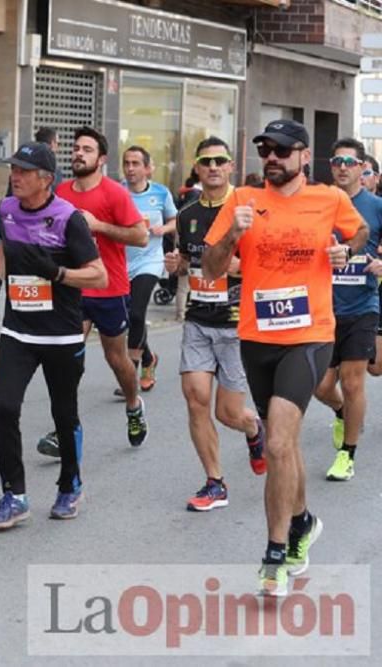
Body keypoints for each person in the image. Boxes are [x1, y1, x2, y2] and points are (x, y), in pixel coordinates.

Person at [202, 119, 366, 596]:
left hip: (310, 335)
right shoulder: (241, 202)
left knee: (276, 440)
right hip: (257, 337)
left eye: (281, 150)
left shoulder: (329, 199)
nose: (271, 157)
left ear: (302, 157)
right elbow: (210, 269)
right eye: (264, 149)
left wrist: (343, 251)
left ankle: (273, 554)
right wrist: (233, 233)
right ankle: (302, 521)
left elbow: (357, 235)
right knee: (285, 444)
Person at [0, 142, 106, 529]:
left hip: (61, 335)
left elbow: (98, 275)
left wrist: (58, 274)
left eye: (23, 171)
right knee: (5, 408)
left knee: (63, 413)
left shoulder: (69, 219)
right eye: (13, 169)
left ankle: (70, 484)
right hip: (18, 330)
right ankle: (14, 495)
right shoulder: (5, 209)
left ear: (46, 179)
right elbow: (4, 244)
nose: (14, 176)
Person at [162, 136, 266, 512]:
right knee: (196, 401)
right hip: (199, 319)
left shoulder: (249, 209)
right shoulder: (187, 214)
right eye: (206, 161)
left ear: (231, 166)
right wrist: (177, 268)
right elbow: (189, 262)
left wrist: (239, 267)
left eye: (220, 160)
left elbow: (268, 262)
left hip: (237, 323)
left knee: (228, 413)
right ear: (197, 168)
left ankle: (255, 430)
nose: (213, 167)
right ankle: (215, 482)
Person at [36, 126, 149, 457]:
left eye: (86, 149)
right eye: (76, 148)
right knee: (68, 360)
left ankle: (133, 404)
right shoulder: (60, 193)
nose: (78, 153)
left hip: (110, 288)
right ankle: (64, 429)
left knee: (117, 359)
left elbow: (141, 237)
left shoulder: (114, 193)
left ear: (101, 159)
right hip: (72, 288)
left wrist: (98, 226)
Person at [312, 139, 382, 481]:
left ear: (361, 168)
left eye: (349, 162)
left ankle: (347, 454)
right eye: (336, 160)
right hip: (322, 308)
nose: (342, 167)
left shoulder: (375, 206)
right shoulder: (318, 203)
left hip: (362, 307)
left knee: (354, 383)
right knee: (321, 386)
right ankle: (340, 411)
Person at [121, 145, 177, 393]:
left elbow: (175, 221)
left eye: (135, 163)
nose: (130, 168)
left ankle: (129, 377)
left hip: (150, 260)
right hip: (122, 262)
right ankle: (148, 358)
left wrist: (161, 230)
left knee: (136, 313)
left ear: (146, 168)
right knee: (129, 318)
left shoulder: (161, 193)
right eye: (127, 163)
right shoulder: (118, 192)